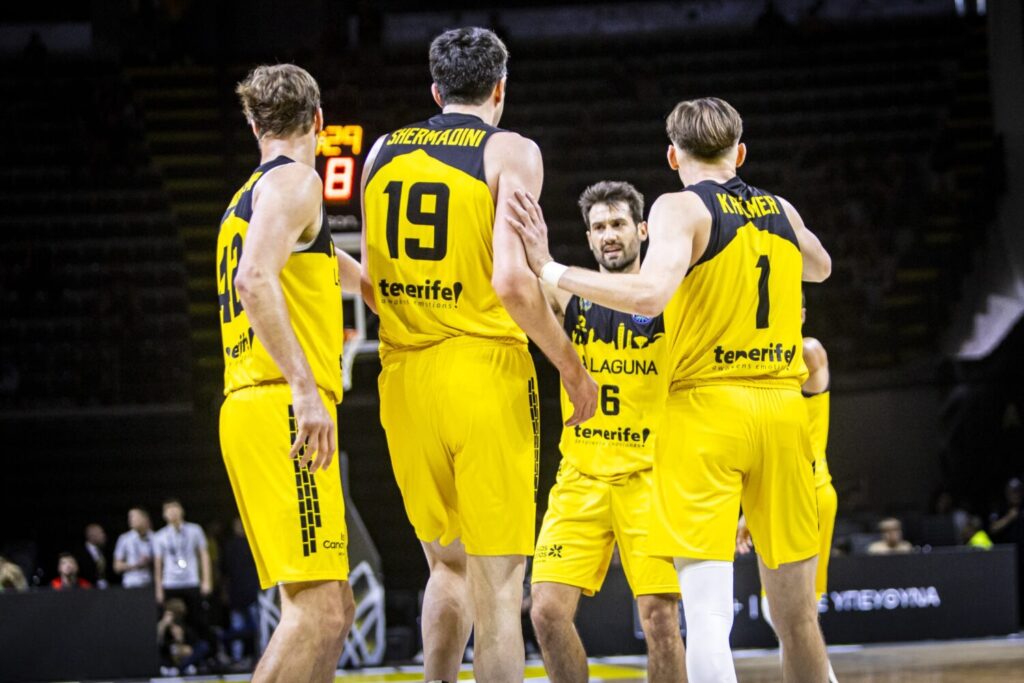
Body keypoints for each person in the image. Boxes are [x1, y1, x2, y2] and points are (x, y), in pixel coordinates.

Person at [509, 96, 832, 682]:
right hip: (780, 406)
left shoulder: (679, 208)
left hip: (707, 409)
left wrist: (548, 266)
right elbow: (821, 268)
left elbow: (651, 294)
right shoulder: (780, 209)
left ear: (673, 156)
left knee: (705, 621)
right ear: (740, 152)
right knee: (798, 618)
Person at [360, 27, 597, 683]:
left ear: (435, 90)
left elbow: (373, 285)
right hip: (483, 370)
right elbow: (514, 283)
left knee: (445, 565)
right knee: (498, 592)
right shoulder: (511, 150)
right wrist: (571, 366)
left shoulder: (380, 152)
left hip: (404, 376)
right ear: (500, 88)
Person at [219, 63, 362, 682]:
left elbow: (322, 261)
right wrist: (305, 392)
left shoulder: (251, 196)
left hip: (257, 405)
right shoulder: (296, 182)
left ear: (254, 126)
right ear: (319, 120)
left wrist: (386, 289)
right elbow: (254, 279)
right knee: (320, 613)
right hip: (281, 404)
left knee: (330, 607)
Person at [529, 181, 684, 682]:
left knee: (660, 620)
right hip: (581, 476)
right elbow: (514, 283)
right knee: (545, 611)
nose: (608, 235)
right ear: (589, 239)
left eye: (618, 224)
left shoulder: (671, 295)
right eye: (598, 227)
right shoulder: (567, 293)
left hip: (650, 479)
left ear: (643, 230)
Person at [737, 316, 838, 683]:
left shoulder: (804, 351)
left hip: (808, 491)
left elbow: (812, 356)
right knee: (784, 611)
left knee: (797, 612)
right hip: (776, 490)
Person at [114, 507, 155, 589]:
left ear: (145, 519)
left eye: (134, 517)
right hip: (130, 584)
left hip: (150, 583)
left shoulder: (155, 538)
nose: (131, 520)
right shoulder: (124, 538)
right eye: (129, 517)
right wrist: (135, 565)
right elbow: (117, 566)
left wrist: (151, 561)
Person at [77, 522, 112, 588]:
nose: (104, 536)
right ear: (92, 536)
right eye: (101, 533)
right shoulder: (80, 554)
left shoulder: (105, 552)